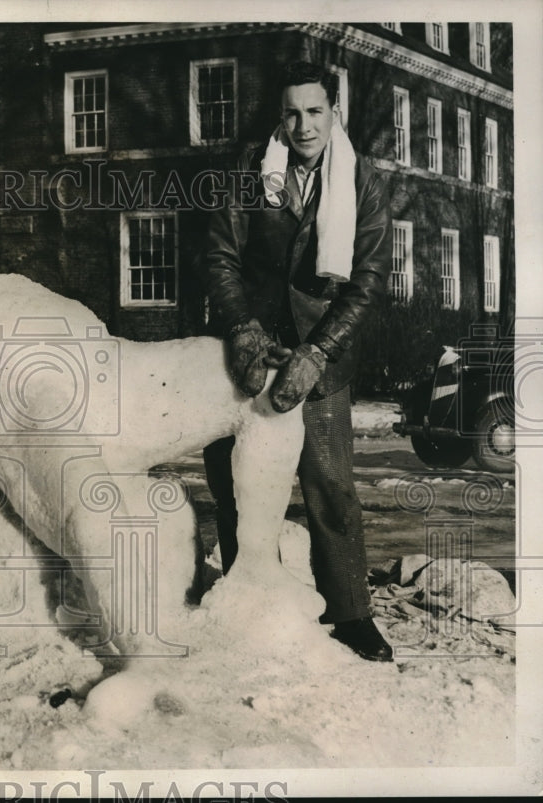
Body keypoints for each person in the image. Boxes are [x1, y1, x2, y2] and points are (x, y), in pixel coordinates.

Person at [199, 61, 394, 661]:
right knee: (238, 484)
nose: (303, 124)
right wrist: (241, 328)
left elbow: (366, 280)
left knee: (329, 487)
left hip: (320, 357)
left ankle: (351, 613)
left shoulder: (362, 183)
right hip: (251, 351)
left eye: (314, 111)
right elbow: (220, 256)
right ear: (279, 116)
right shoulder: (249, 171)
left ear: (333, 111)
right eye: (291, 112)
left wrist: (319, 349)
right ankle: (247, 604)